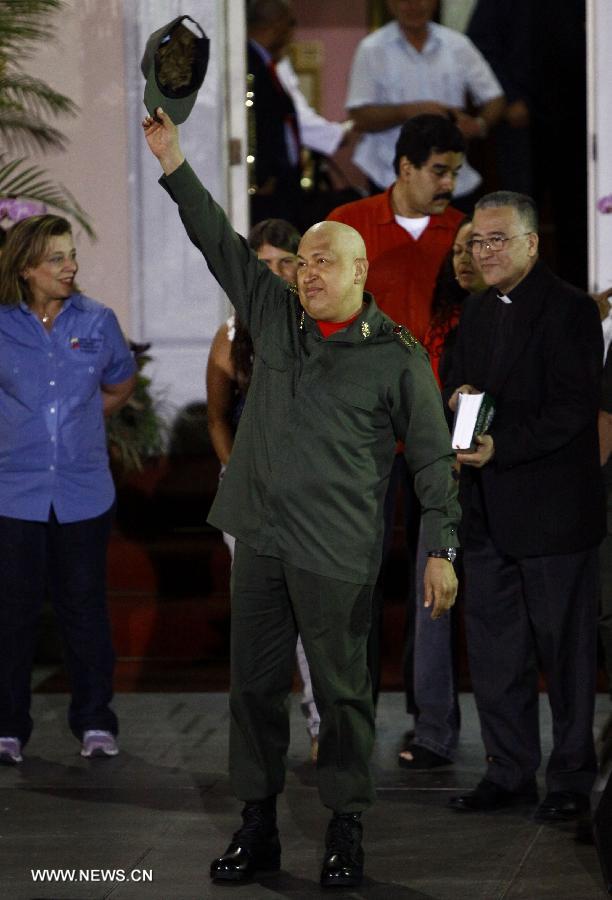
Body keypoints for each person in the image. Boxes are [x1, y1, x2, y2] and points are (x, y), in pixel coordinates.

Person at [143, 106, 460, 889]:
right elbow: (217, 238)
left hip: (338, 553)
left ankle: (345, 829)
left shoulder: (396, 359)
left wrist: (444, 549)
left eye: (325, 262)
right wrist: (175, 159)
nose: (308, 272)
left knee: (345, 699)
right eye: (303, 262)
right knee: (252, 691)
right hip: (261, 538)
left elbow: (430, 463)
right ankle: (258, 827)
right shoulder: (273, 315)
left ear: (361, 275)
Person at [444, 191, 606, 821]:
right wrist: (457, 405)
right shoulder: (476, 310)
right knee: (494, 652)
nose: (483, 251)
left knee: (565, 657)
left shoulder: (570, 311)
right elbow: (463, 384)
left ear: (531, 244)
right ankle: (508, 770)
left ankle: (568, 779)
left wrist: (499, 448)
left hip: (554, 516)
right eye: (477, 241)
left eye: (497, 240)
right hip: (487, 514)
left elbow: (571, 410)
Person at [328, 114, 464, 716]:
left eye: (456, 172)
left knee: (435, 572)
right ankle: (349, 712)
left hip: (438, 429)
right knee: (359, 570)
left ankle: (431, 720)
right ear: (405, 167)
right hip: (365, 432)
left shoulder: (465, 234)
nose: (449, 184)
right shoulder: (348, 227)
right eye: (439, 171)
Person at [0, 214, 136, 765]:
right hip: (12, 494)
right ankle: (8, 727)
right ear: (26, 268)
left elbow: (120, 384)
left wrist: (80, 424)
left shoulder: (98, 321)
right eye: (56, 258)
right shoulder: (3, 324)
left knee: (84, 610)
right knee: (12, 614)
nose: (70, 266)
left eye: (71, 254)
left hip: (83, 494)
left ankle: (95, 721)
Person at [206, 217, 321, 761]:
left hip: (311, 494)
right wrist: (240, 475)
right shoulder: (232, 334)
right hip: (248, 494)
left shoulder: (323, 327)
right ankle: (261, 740)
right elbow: (217, 420)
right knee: (262, 620)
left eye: (285, 262)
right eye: (264, 264)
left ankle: (324, 729)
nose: (275, 273)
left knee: (314, 617)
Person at [398, 217, 487, 769]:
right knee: (432, 601)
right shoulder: (436, 323)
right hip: (437, 482)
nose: (462, 258)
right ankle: (433, 730)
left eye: (473, 247)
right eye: (456, 249)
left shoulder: (502, 323)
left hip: (491, 480)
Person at [345, 0, 504, 204]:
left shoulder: (458, 44)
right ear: (389, 4)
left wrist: (479, 125)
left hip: (453, 178)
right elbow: (359, 117)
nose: (414, 6)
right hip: (389, 177)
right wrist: (409, 112)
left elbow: (495, 99)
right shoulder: (372, 49)